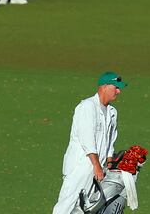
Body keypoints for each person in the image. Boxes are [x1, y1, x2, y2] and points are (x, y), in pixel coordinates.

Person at [52, 72, 127, 214]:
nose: (118, 91)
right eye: (116, 87)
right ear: (104, 87)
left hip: (98, 167)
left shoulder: (112, 112)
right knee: (68, 204)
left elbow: (111, 140)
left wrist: (109, 162)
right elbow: (87, 139)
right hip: (81, 166)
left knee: (88, 207)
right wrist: (96, 166)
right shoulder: (87, 107)